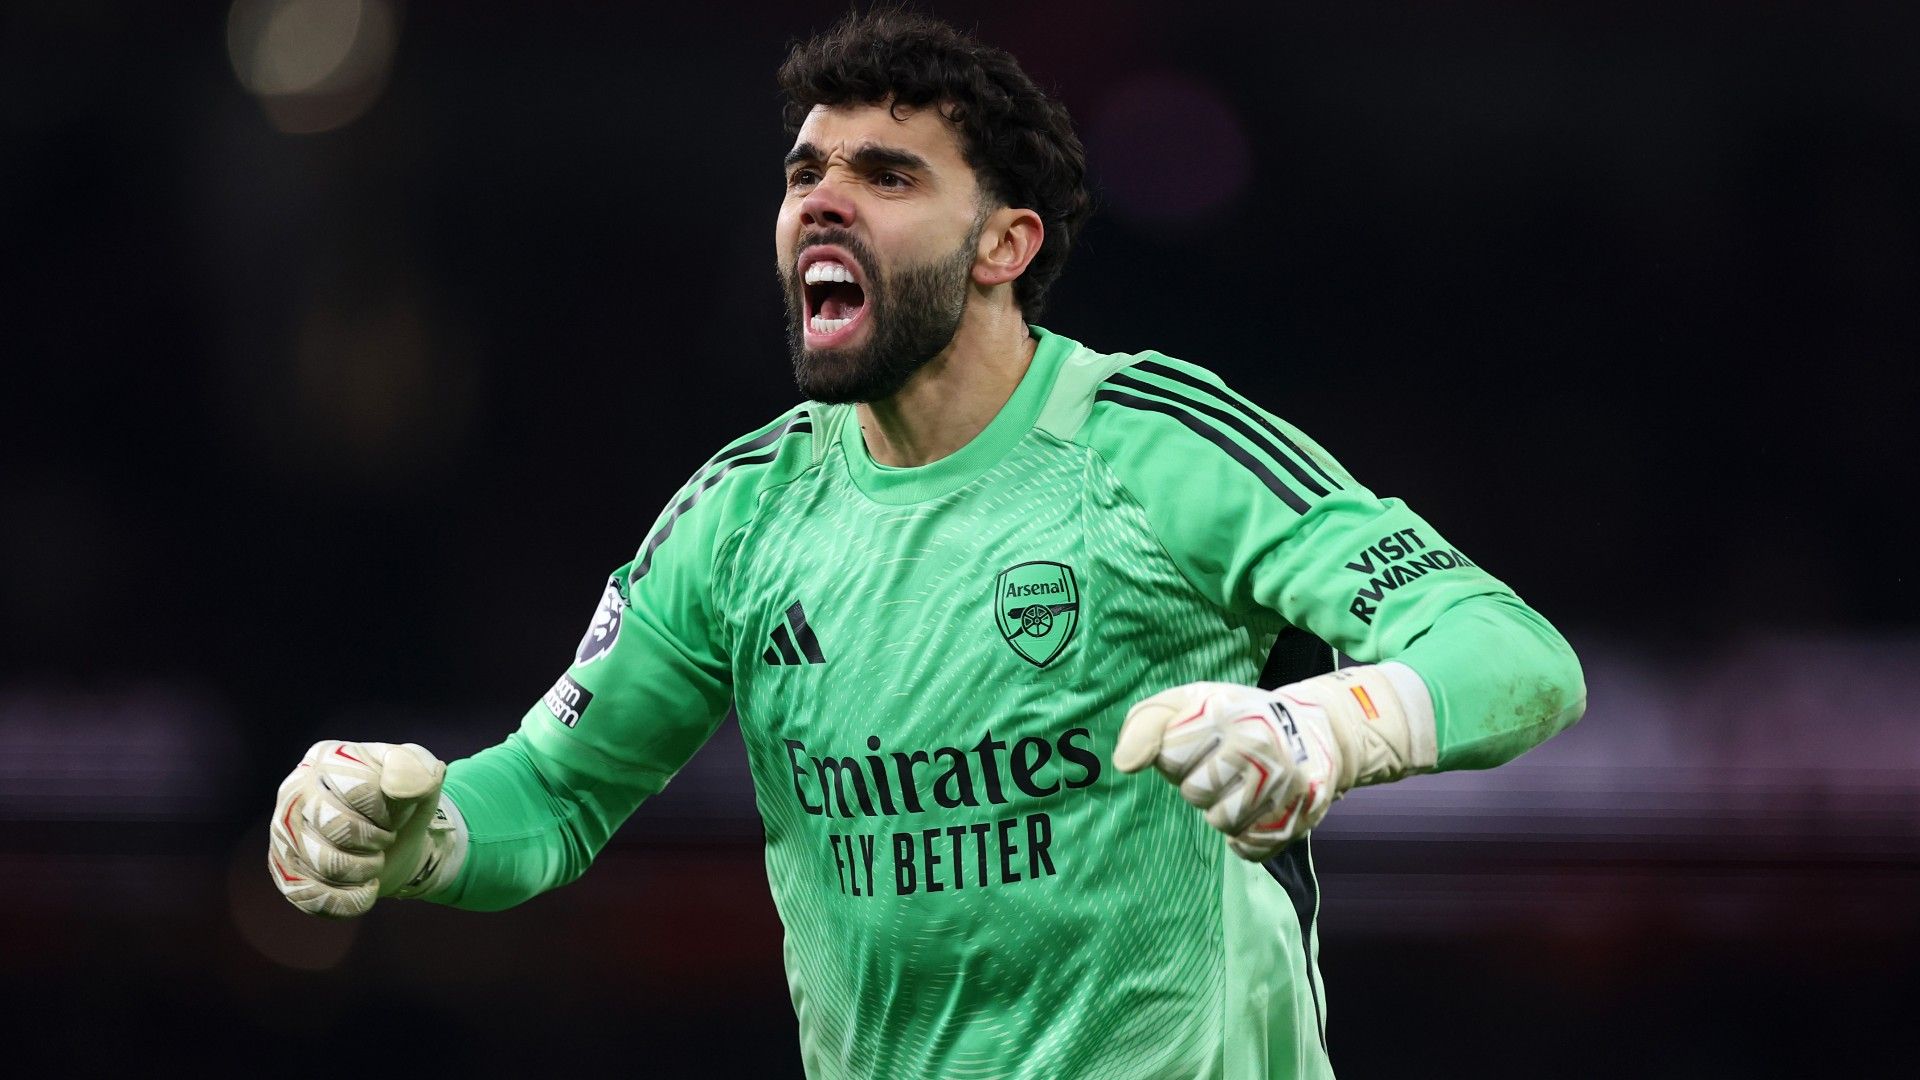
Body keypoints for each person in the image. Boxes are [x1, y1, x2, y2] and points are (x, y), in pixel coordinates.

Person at [268, 10, 1586, 1078]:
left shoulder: (1152, 446)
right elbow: (554, 794)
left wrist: (1323, 729)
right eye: (805, 174)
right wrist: (425, 835)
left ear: (1006, 243)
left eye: (887, 175)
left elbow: (1510, 653)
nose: (822, 203)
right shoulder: (740, 519)